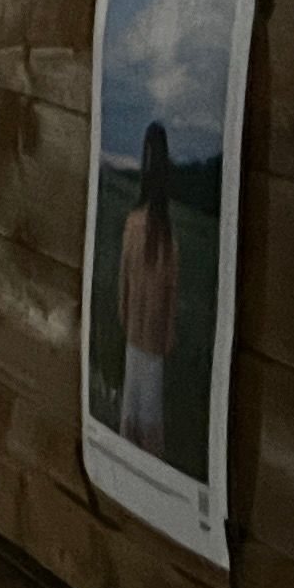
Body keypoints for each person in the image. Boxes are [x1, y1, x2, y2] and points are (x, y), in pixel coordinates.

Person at [114, 122, 183, 455]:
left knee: (132, 409)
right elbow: (169, 298)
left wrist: (127, 320)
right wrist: (165, 334)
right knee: (149, 414)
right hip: (151, 341)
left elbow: (123, 285)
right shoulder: (167, 238)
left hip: (138, 337)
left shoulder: (134, 225)